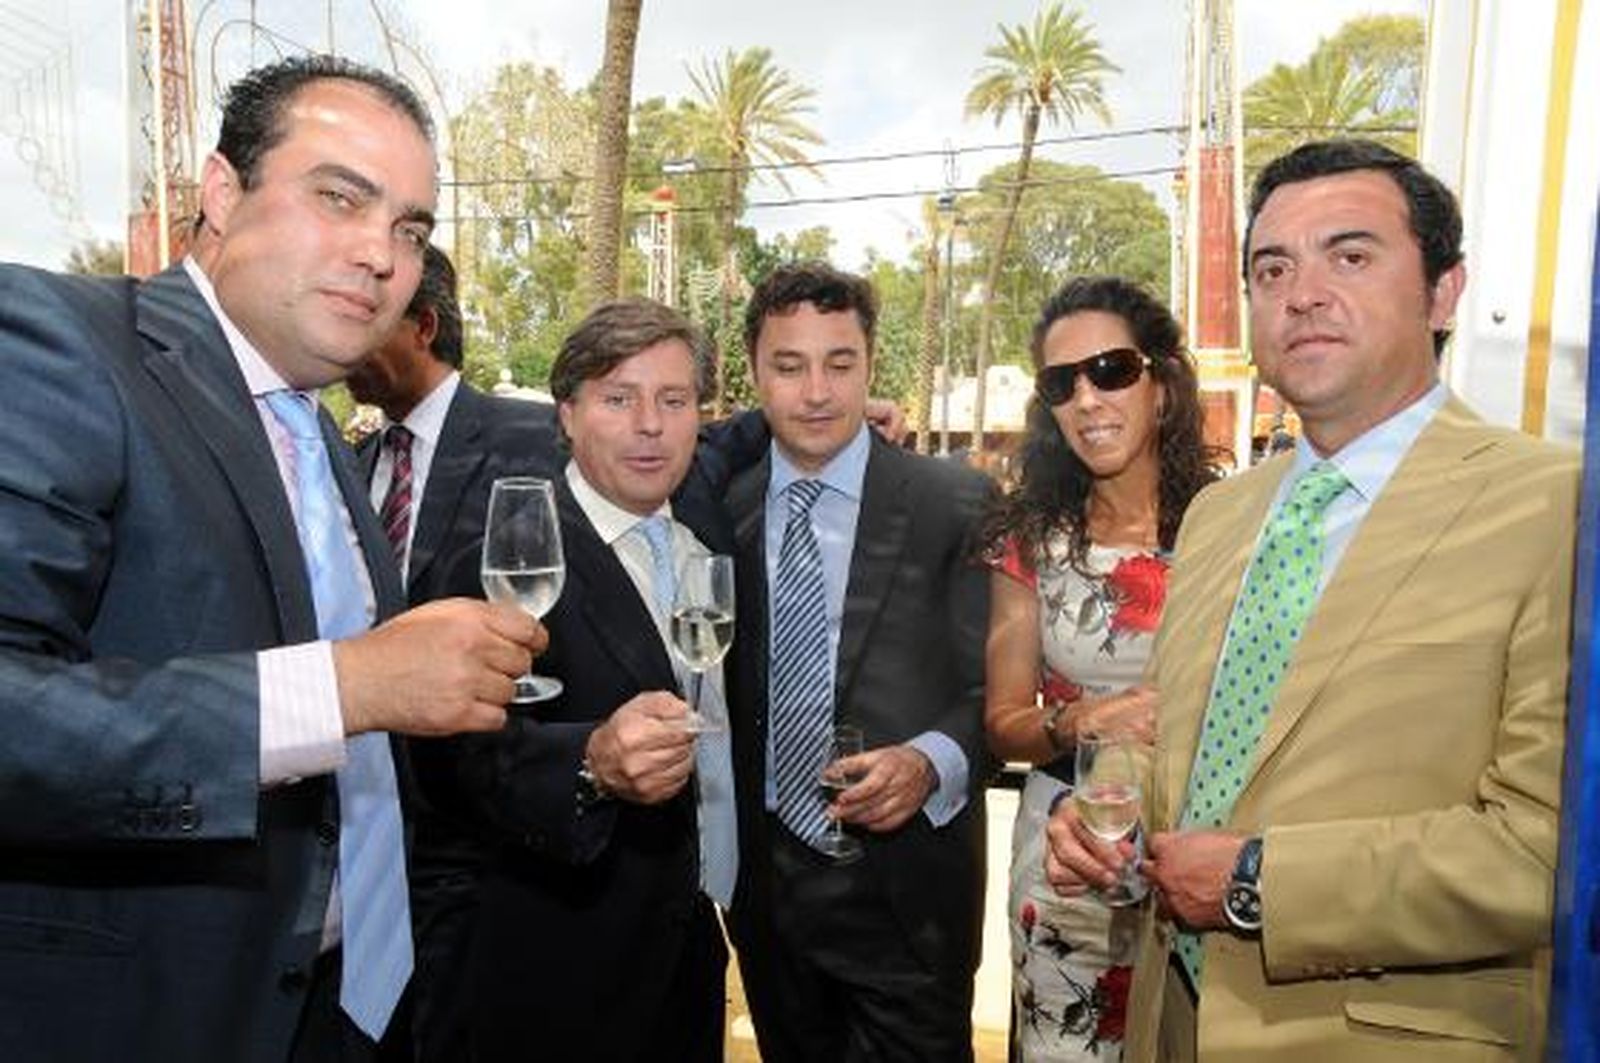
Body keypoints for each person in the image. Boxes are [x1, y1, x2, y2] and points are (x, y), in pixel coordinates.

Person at [0, 55, 545, 1063]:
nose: (380, 254)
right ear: (220, 193)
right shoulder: (61, 346)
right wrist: (347, 686)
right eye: (340, 196)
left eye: (410, 230)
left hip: (354, 1008)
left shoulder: (323, 440)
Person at [1045, 138, 1578, 1062]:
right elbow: (1181, 738)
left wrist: (1258, 879)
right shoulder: (1219, 514)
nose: (1303, 292)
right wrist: (1112, 807)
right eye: (1272, 267)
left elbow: (1554, 848)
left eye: (1352, 254)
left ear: (1444, 291)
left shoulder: (1558, 508)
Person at [420, 298, 737, 1062]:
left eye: (674, 399)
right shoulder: (510, 558)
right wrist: (590, 762)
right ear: (567, 414)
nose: (650, 425)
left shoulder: (707, 547)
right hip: (559, 972)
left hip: (690, 954)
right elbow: (452, 757)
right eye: (618, 398)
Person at [725, 262, 993, 1062]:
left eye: (839, 363)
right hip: (768, 901)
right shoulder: (717, 510)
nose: (816, 391)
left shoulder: (956, 503)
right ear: (754, 373)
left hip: (910, 902)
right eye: (789, 364)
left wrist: (930, 760)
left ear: (871, 365)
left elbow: (1003, 693)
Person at [982, 276, 1224, 1061]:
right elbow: (1003, 723)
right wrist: (1083, 718)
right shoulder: (1031, 535)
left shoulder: (1236, 527)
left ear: (1162, 381)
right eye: (1062, 382)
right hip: (1069, 858)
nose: (1088, 397)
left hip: (1202, 855)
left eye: (1112, 370)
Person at [346, 243, 559, 1062]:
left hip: (486, 837)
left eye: (372, 322)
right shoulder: (352, 457)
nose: (347, 343)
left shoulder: (533, 437)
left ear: (423, 325)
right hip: (373, 835)